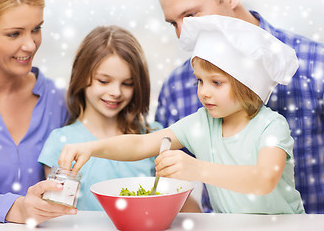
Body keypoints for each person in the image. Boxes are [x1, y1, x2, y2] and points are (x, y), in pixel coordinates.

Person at [58, 15, 305, 214]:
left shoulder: (271, 126)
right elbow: (141, 143)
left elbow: (264, 180)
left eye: (216, 83)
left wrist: (198, 169)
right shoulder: (201, 123)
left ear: (247, 85)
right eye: (200, 81)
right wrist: (92, 148)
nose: (204, 92)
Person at [155, 0, 324, 214]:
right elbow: (165, 173)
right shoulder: (176, 87)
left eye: (190, 16)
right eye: (173, 24)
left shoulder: (315, 64)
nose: (182, 35)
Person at [38, 25, 166, 210]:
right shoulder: (61, 142)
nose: (115, 92)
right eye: (104, 81)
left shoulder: (153, 136)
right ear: (81, 76)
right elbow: (57, 213)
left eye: (127, 84)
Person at [0, 0, 77, 224]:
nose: (30, 45)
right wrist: (13, 208)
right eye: (14, 34)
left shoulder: (60, 101)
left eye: (36, 29)